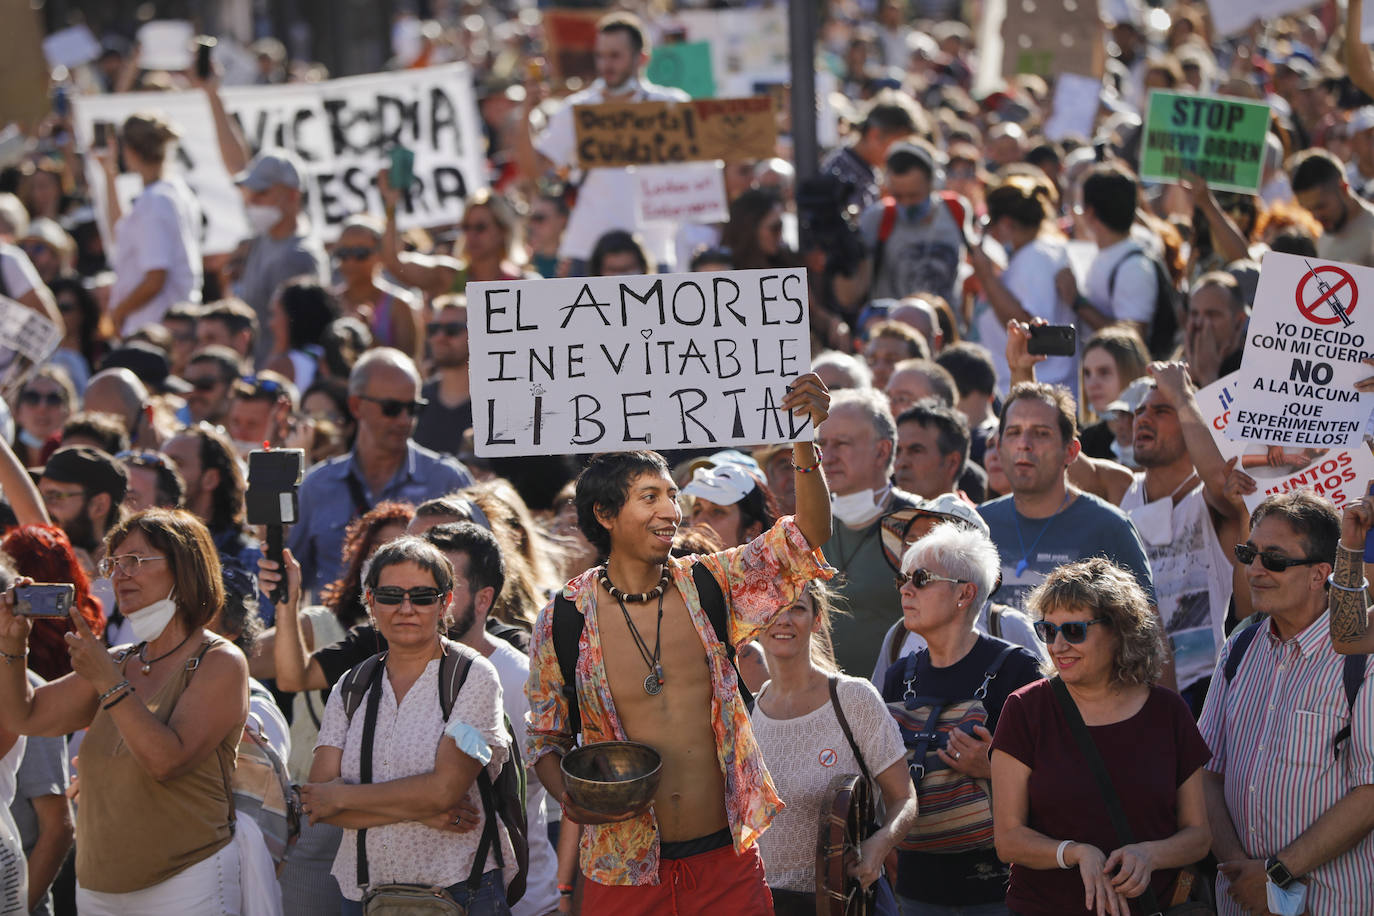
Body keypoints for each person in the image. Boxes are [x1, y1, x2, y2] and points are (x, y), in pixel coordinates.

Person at [525, 374, 832, 912]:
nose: (671, 512)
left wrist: (804, 438)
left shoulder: (715, 583)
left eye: (671, 496)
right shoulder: (563, 620)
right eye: (650, 499)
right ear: (604, 515)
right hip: (622, 872)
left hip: (726, 863)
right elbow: (546, 741)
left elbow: (809, 532)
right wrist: (575, 800)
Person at [0, 509, 250, 913]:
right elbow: (23, 717)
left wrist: (108, 683)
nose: (119, 575)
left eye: (135, 560)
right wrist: (12, 646)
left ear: (186, 566)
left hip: (186, 885)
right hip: (98, 891)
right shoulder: (116, 660)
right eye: (113, 563)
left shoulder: (219, 661)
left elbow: (165, 761)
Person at [301, 536, 517, 913]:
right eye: (390, 596)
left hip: (459, 889)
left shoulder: (472, 676)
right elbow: (320, 804)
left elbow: (445, 791)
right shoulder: (351, 685)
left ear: (445, 602)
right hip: (365, 895)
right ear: (370, 601)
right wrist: (422, 810)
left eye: (421, 596)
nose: (406, 608)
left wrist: (343, 796)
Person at [991, 558, 1211, 916]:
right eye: (1048, 630)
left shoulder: (1167, 711)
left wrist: (1149, 855)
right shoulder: (1025, 709)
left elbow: (1199, 836)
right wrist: (1075, 852)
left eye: (1074, 631)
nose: (1058, 645)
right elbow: (1009, 839)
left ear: (1119, 630)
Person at [1201, 492, 1374, 916]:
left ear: (1320, 574)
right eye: (1249, 553)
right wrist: (1242, 873)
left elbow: (1370, 792)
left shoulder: (1362, 659)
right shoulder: (1238, 647)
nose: (1255, 570)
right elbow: (1206, 772)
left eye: (1274, 559)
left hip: (1332, 903)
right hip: (1240, 899)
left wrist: (1275, 875)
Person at [879, 522, 1042, 915]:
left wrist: (992, 769)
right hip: (915, 888)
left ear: (964, 594)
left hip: (999, 891)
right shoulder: (900, 674)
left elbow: (1062, 776)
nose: (905, 589)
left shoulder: (1016, 671)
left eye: (921, 578)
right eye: (903, 578)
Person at [752, 581, 917, 914]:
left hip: (848, 903)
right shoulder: (747, 712)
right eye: (772, 607)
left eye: (797, 608)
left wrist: (879, 846)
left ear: (816, 620)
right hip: (766, 904)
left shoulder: (853, 699)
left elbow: (905, 798)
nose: (783, 619)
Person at [516, 12, 688, 275]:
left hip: (652, 254)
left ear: (642, 58)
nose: (606, 64)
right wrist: (527, 111)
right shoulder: (575, 109)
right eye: (600, 55)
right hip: (587, 254)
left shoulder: (673, 107)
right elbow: (534, 172)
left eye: (615, 56)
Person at [289, 348, 473, 593]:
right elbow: (294, 578)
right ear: (356, 406)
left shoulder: (448, 480)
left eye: (414, 408)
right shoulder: (317, 486)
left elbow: (476, 574)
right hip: (335, 628)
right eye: (392, 408)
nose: (405, 419)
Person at [1118, 363, 1246, 714]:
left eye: (1162, 410)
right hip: (1132, 694)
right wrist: (1021, 368)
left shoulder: (1214, 501)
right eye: (1140, 410)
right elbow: (1050, 472)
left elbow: (1222, 485)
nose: (1143, 419)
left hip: (1206, 697)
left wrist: (1185, 395)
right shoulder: (1117, 489)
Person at [977, 383, 1156, 626]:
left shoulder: (1109, 527)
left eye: (1041, 433)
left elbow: (1148, 637)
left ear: (1071, 451)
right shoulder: (977, 527)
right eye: (1013, 432)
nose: (1024, 444)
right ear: (999, 447)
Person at [815, 387, 922, 675]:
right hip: (825, 704)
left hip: (900, 703)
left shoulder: (921, 524)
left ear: (882, 450)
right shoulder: (807, 526)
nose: (827, 455)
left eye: (842, 443)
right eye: (821, 443)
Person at [968, 175, 1078, 396]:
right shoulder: (1039, 253)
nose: (990, 233)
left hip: (1035, 390)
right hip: (1030, 388)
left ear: (1007, 224)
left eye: (990, 224)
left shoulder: (1035, 257)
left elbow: (1028, 329)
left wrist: (987, 277)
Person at [97, 114, 202, 336]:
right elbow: (120, 229)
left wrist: (116, 314)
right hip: (163, 326)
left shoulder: (156, 201)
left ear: (129, 150)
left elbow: (155, 278)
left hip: (154, 330)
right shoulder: (170, 193)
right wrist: (109, 174)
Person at [233, 149, 330, 362]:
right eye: (250, 193)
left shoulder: (299, 256)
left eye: (262, 193)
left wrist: (273, 376)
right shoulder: (262, 239)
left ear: (293, 195)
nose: (252, 202)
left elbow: (297, 337)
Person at [859, 139, 970, 306]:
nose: (906, 203)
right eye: (898, 196)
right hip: (895, 327)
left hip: (947, 327)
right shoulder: (876, 218)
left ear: (934, 183)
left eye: (914, 195)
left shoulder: (956, 210)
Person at [1077, 164, 1158, 339]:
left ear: (1090, 213)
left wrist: (1079, 303)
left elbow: (1132, 338)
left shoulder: (1134, 268)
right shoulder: (1107, 252)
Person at [819, 89, 925, 214]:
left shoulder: (865, 170)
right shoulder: (840, 175)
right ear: (875, 135)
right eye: (899, 144)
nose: (904, 153)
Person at [332, 216, 422, 359]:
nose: (350, 261)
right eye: (343, 254)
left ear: (380, 254)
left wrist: (367, 334)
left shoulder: (400, 305)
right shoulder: (330, 301)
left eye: (360, 253)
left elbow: (407, 364)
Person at [38, 446, 128, 574]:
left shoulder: (129, 576)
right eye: (39, 495)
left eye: (55, 495)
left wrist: (91, 582)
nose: (42, 506)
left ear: (99, 506)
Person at [1290, 147, 1374, 267]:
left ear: (1343, 188)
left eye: (1320, 206)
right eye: (1309, 209)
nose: (1315, 216)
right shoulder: (1325, 237)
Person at [413, 295, 473, 457]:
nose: (439, 337)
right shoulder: (417, 400)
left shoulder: (494, 404)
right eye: (433, 329)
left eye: (452, 330)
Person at [1078, 328, 1149, 460]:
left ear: (1131, 373)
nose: (1092, 384)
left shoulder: (1157, 437)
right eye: (1087, 373)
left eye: (1104, 372)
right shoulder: (1083, 443)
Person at [263, 279, 340, 392]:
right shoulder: (337, 358)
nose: (270, 324)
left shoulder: (281, 366)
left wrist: (278, 349)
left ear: (292, 318)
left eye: (274, 314)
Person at [1182, 273, 1248, 389]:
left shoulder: (1253, 374)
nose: (1199, 323)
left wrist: (1208, 377)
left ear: (1239, 321)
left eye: (1212, 315)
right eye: (1194, 314)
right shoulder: (1174, 371)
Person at [13, 367, 75, 469]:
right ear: (16, 411)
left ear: (69, 411)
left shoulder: (77, 462)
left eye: (54, 399)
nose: (42, 407)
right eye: (32, 398)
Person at [181, 346, 243, 425]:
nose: (193, 392)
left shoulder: (255, 435)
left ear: (232, 387)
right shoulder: (174, 428)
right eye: (187, 384)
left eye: (204, 384)